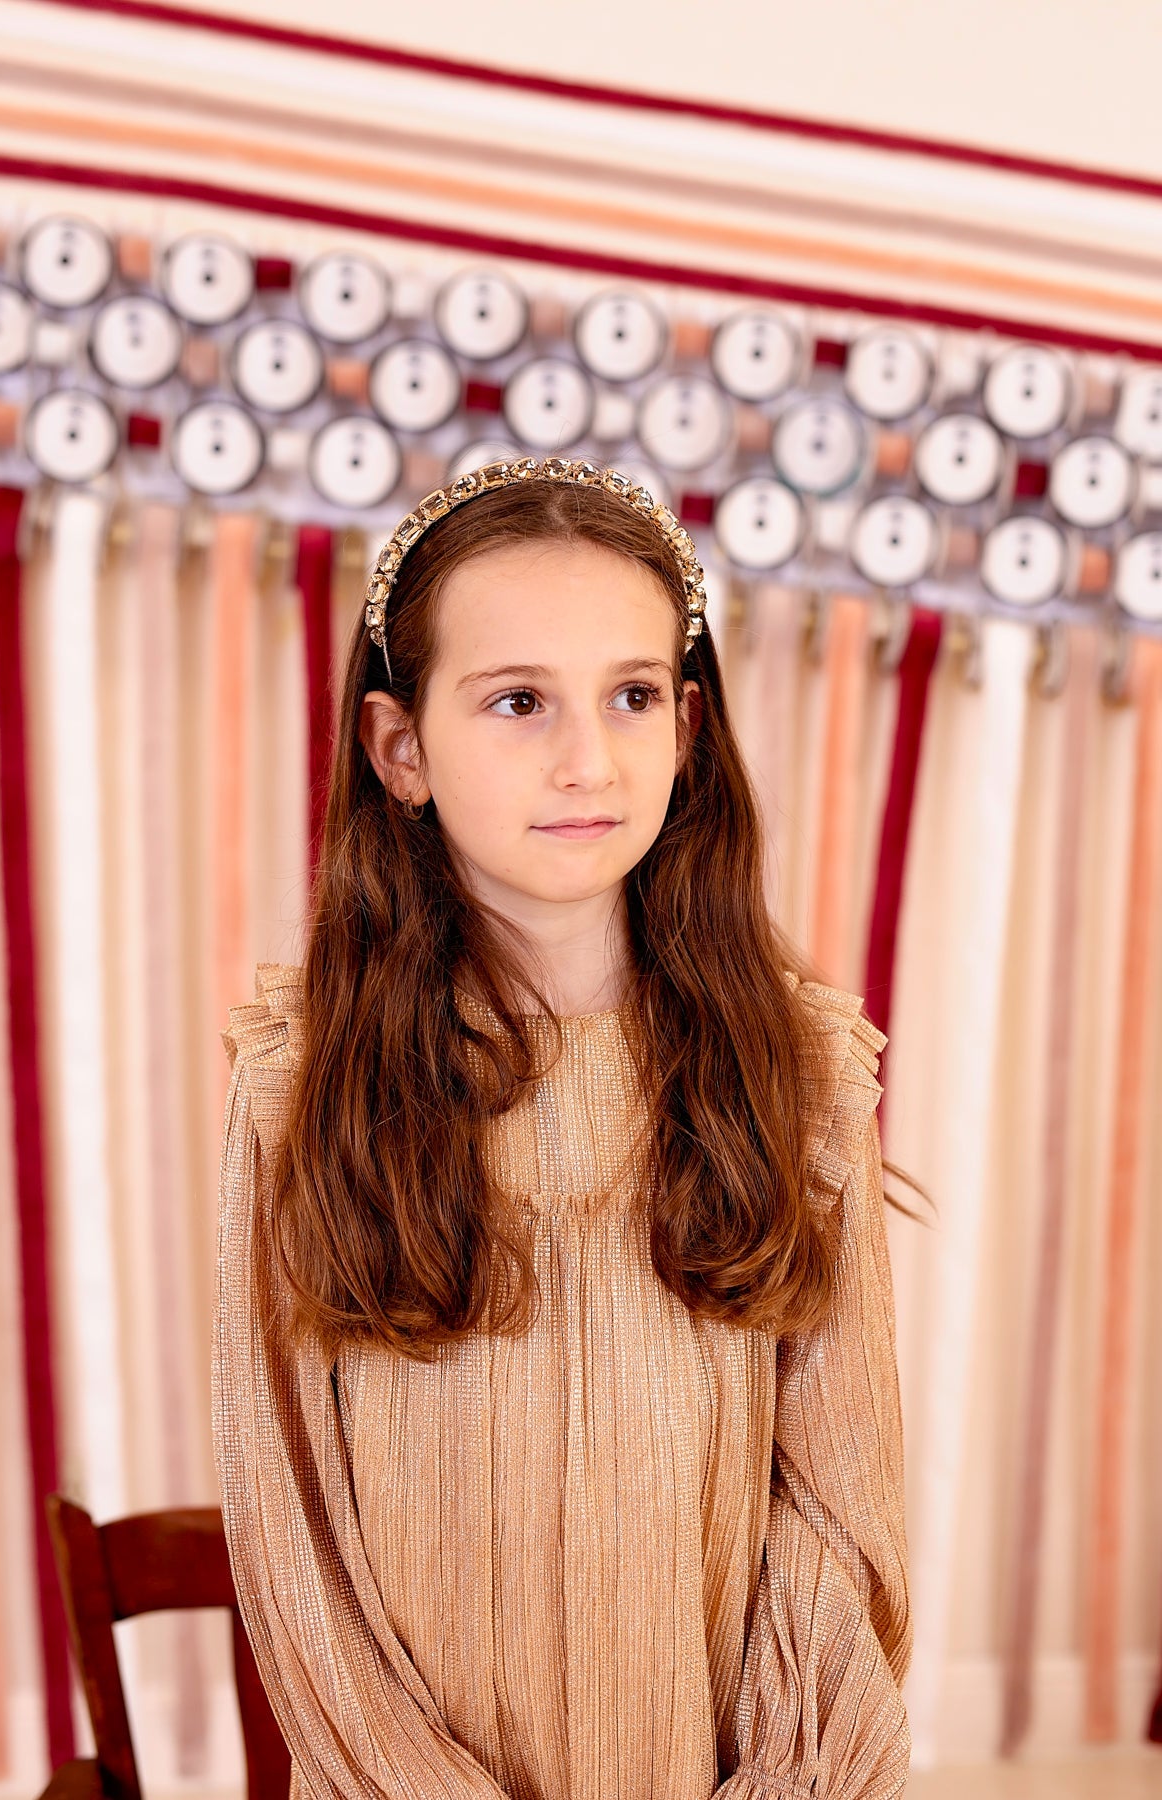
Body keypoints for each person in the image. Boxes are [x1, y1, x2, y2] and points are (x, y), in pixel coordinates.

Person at [212, 457, 915, 1800]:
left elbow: (839, 1517)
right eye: (519, 700)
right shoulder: (300, 1084)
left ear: (687, 727)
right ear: (401, 748)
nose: (588, 759)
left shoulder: (800, 1074)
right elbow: (294, 1537)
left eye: (631, 696)